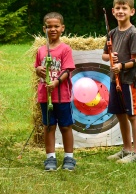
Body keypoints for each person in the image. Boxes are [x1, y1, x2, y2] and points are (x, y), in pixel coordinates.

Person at [102, 0, 136, 163]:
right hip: (115, 80)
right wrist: (111, 57)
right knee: (120, 115)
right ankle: (126, 149)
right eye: (118, 8)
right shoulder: (112, 33)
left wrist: (121, 65)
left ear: (131, 11)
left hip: (128, 81)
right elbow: (105, 56)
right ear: (113, 11)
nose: (120, 11)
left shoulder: (133, 33)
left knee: (132, 116)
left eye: (124, 8)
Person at [35, 12, 76, 171]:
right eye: (49, 26)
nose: (53, 29)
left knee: (65, 126)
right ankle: (50, 158)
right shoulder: (40, 50)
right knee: (49, 126)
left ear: (62, 28)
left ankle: (69, 158)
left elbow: (67, 70)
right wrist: (38, 70)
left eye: (56, 26)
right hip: (45, 96)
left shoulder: (65, 49)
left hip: (62, 97)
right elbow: (38, 68)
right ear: (44, 29)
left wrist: (57, 82)